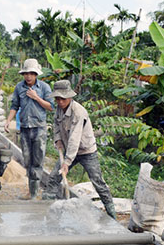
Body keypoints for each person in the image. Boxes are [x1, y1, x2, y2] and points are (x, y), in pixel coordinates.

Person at [42, 80, 117, 219]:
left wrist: (67, 162)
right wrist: (57, 139)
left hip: (86, 151)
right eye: (57, 99)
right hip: (69, 151)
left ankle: (112, 213)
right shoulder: (59, 109)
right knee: (53, 178)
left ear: (70, 97)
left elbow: (74, 138)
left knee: (98, 182)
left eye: (62, 99)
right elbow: (56, 125)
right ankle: (46, 210)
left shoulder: (78, 112)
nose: (60, 102)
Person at [4, 58, 54, 199]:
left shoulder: (44, 88)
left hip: (39, 129)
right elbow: (15, 106)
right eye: (26, 73)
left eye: (31, 73)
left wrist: (36, 97)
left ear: (36, 74)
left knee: (37, 161)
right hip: (25, 129)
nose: (28, 76)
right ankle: (31, 189)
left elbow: (50, 107)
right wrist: (8, 121)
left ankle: (33, 193)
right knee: (27, 161)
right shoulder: (19, 87)